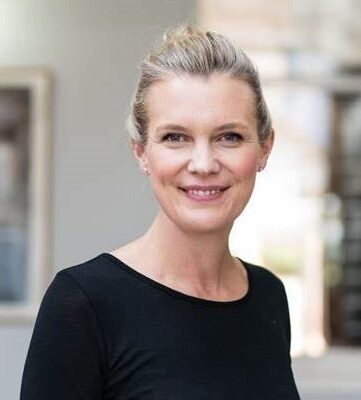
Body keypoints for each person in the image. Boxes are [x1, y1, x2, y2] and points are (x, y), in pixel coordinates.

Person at [20, 25, 301, 399]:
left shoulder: (268, 295)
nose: (203, 163)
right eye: (175, 137)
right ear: (141, 152)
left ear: (264, 148)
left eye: (229, 137)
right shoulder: (84, 303)